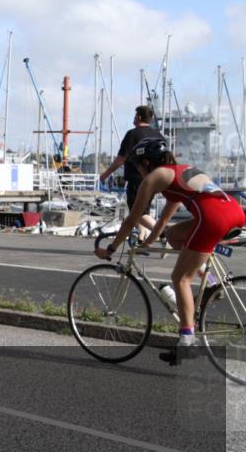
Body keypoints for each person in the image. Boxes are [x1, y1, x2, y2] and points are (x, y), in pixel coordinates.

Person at [95, 137, 246, 363]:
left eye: (137, 166)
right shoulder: (180, 171)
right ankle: (211, 279)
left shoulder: (155, 177)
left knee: (180, 278)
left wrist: (111, 248)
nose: (138, 171)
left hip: (212, 219)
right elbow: (165, 220)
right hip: (234, 212)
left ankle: (187, 341)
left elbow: (131, 219)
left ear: (145, 162)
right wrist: (149, 243)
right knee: (175, 236)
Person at [99, 105, 165, 239]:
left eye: (135, 116)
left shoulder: (132, 134)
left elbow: (121, 159)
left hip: (137, 178)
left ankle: (165, 234)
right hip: (156, 177)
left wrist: (105, 174)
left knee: (138, 212)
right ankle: (141, 236)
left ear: (139, 117)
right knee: (140, 209)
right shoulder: (158, 135)